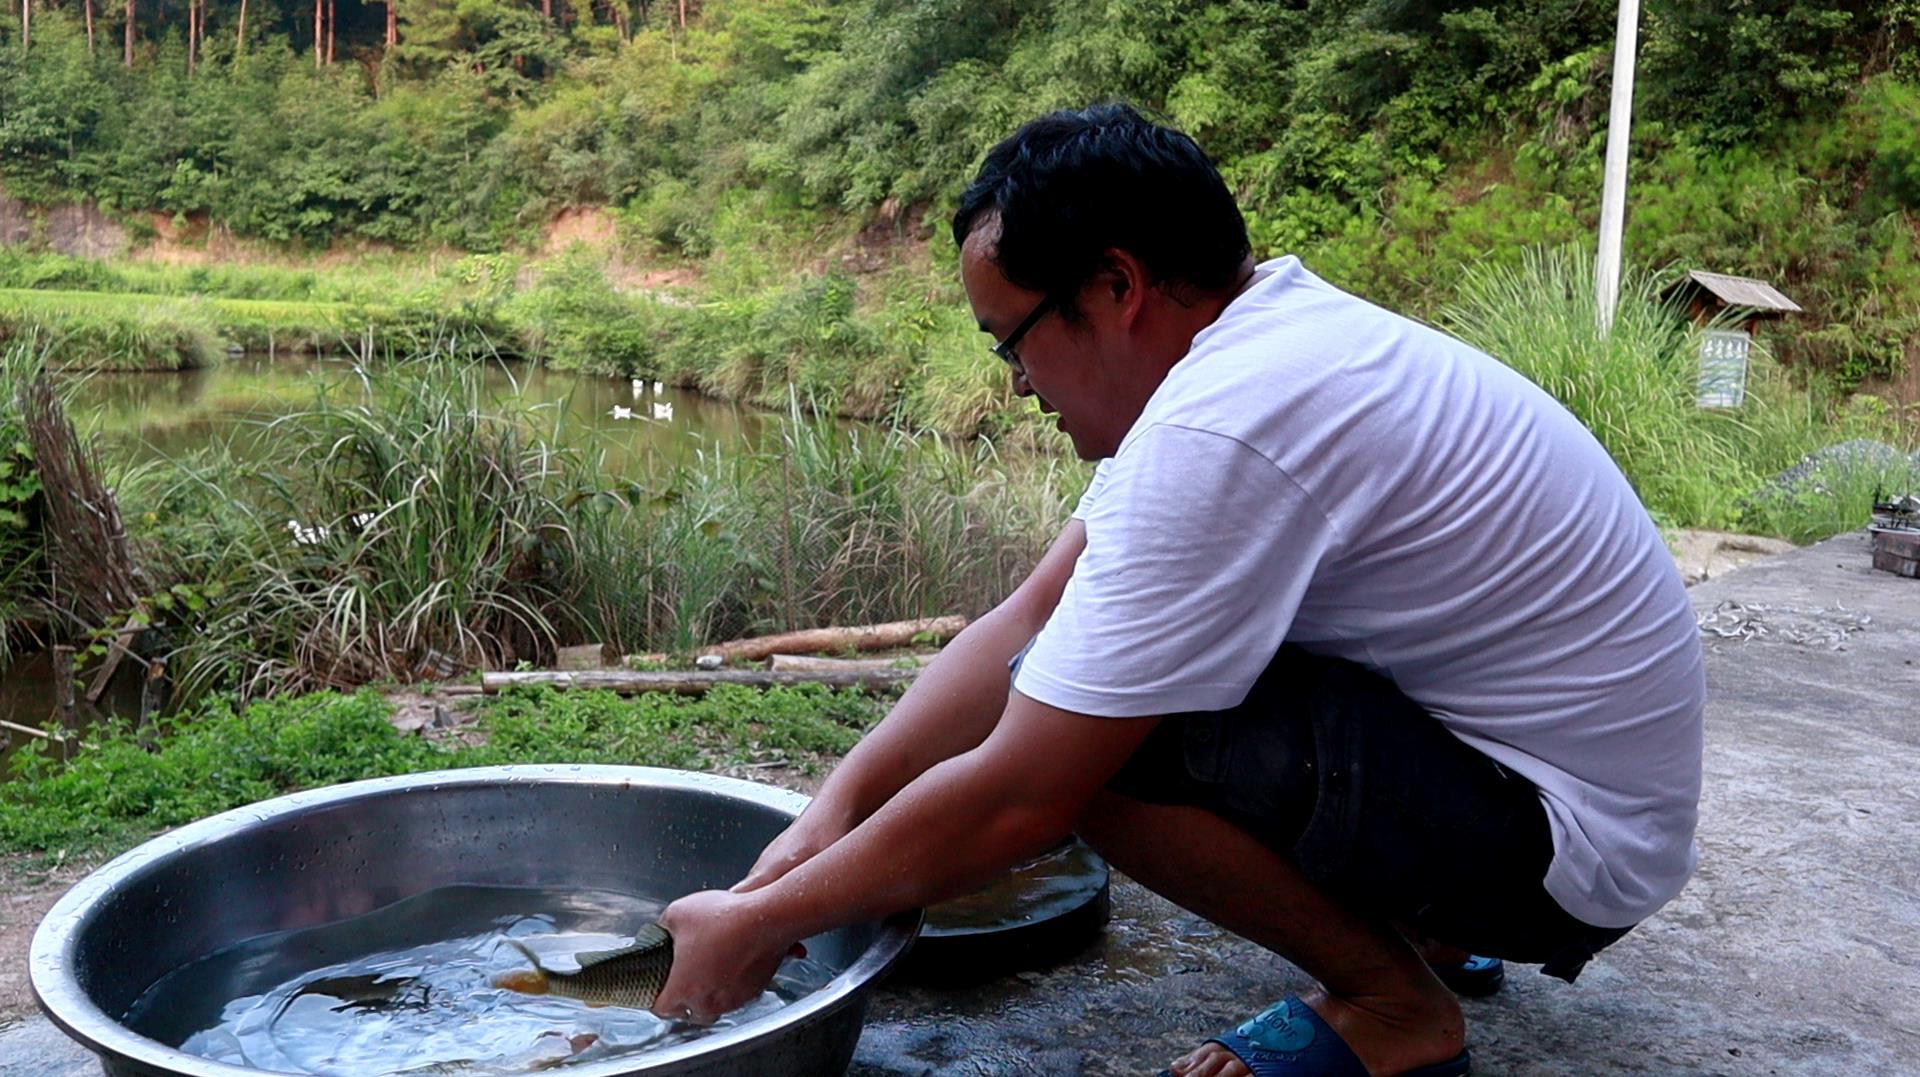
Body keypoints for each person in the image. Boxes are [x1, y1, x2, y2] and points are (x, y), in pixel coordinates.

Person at [652, 102, 1704, 1077]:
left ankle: (1395, 1007)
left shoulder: (1224, 424)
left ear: (1116, 287)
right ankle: (1433, 926)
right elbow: (1030, 613)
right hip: (1553, 790)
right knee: (1082, 667)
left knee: (1103, 748)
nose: (1016, 388)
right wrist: (830, 813)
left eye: (1012, 345)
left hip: (1564, 852)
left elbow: (1027, 792)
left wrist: (760, 923)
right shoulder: (1256, 348)